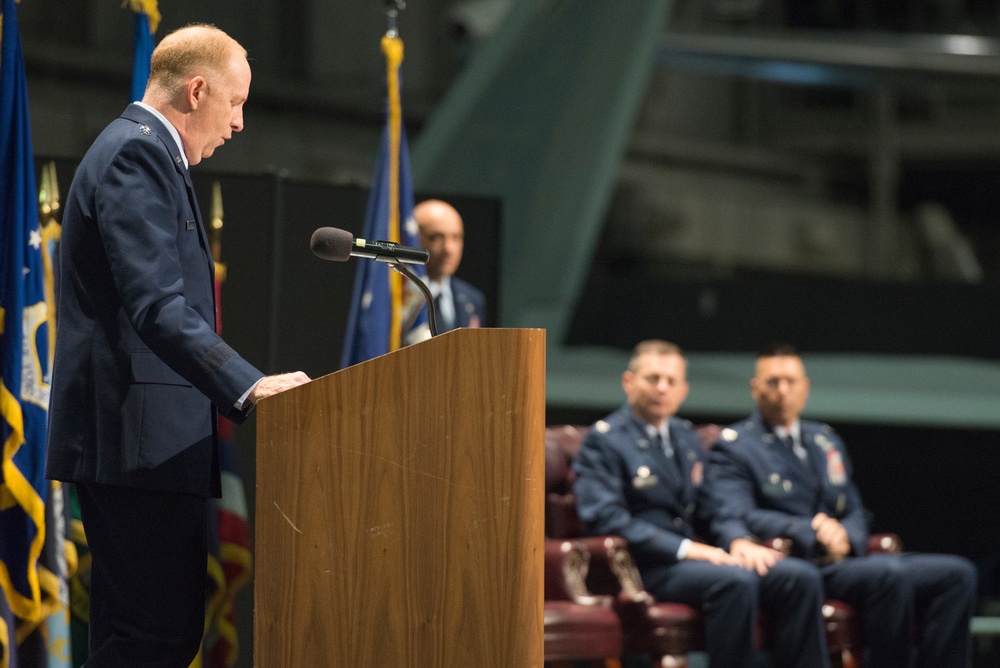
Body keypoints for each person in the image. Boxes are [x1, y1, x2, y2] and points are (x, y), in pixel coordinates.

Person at [45, 24, 311, 667]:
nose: (239, 123)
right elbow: (157, 306)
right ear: (197, 90)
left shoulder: (146, 153)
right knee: (152, 638)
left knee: (146, 636)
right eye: (236, 103)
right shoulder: (135, 154)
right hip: (136, 446)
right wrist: (249, 383)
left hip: (144, 444)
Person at [707, 343, 977, 668]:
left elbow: (854, 509)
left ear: (805, 387)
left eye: (791, 381)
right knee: (888, 573)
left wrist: (846, 534)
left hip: (844, 558)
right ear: (755, 388)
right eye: (773, 382)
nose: (783, 391)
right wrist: (808, 529)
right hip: (803, 561)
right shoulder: (736, 446)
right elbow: (738, 513)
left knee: (957, 574)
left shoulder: (824, 440)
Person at [572, 340, 829, 668]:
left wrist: (738, 540)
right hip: (647, 567)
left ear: (684, 390)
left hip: (696, 562)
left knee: (799, 576)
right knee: (736, 581)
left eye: (672, 381)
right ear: (629, 382)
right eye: (653, 379)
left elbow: (713, 506)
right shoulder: (605, 440)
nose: (662, 388)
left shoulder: (686, 437)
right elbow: (606, 519)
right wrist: (687, 548)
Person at [412, 199, 486, 332]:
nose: (448, 249)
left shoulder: (472, 300)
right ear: (414, 239)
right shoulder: (396, 298)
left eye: (456, 237)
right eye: (436, 237)